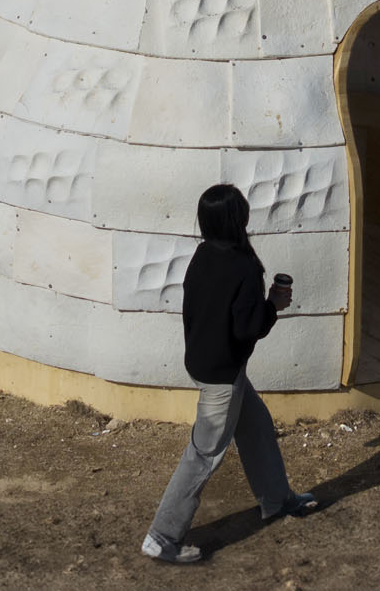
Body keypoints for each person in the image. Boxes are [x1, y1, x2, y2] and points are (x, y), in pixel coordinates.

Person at [141, 183, 319, 564]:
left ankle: (276, 499)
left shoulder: (203, 255)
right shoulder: (243, 266)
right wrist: (272, 305)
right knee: (203, 454)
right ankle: (162, 536)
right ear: (239, 220)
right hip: (222, 376)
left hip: (207, 364)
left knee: (255, 427)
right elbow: (246, 327)